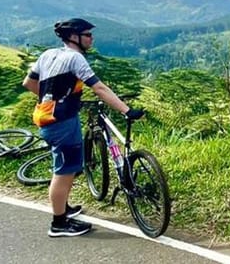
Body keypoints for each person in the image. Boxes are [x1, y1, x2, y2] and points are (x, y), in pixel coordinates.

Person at [21, 18, 143, 237]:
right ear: (74, 37)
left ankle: (64, 209)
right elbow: (99, 88)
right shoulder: (75, 59)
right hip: (62, 124)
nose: (91, 38)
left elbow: (29, 84)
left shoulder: (47, 54)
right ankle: (59, 224)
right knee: (64, 172)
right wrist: (127, 110)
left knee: (67, 167)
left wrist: (54, 99)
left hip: (47, 117)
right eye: (87, 35)